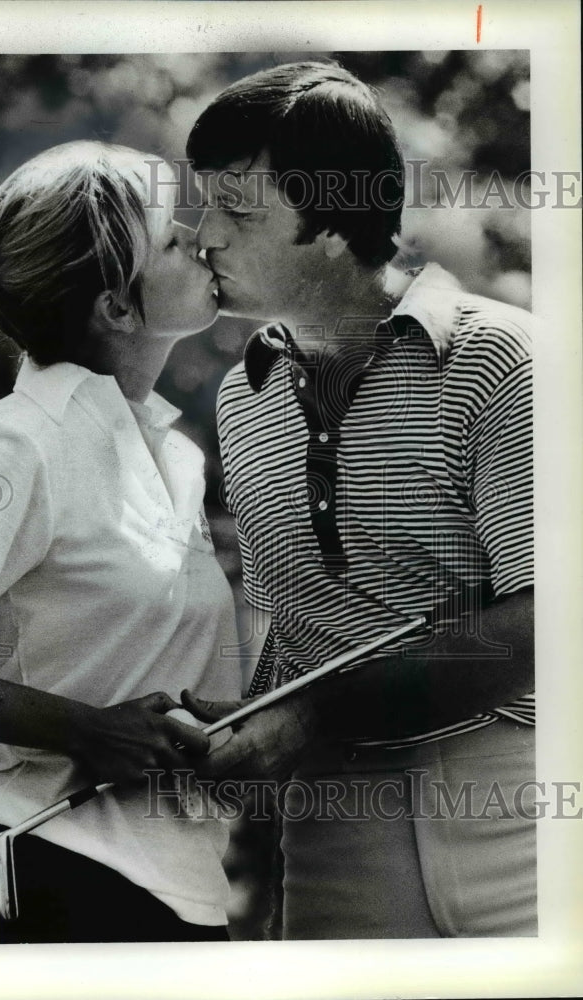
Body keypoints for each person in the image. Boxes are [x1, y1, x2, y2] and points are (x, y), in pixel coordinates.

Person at [181, 61, 536, 938]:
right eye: (202, 205)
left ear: (333, 220)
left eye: (237, 209)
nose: (203, 237)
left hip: (522, 811)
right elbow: (290, 626)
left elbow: (544, 626)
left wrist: (305, 719)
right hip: (332, 817)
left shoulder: (501, 362)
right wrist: (234, 729)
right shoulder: (243, 397)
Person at [0, 140, 241, 943]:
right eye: (171, 236)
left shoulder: (176, 450)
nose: (202, 238)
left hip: (180, 894)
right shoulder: (17, 443)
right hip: (45, 877)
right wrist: (87, 729)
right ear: (117, 308)